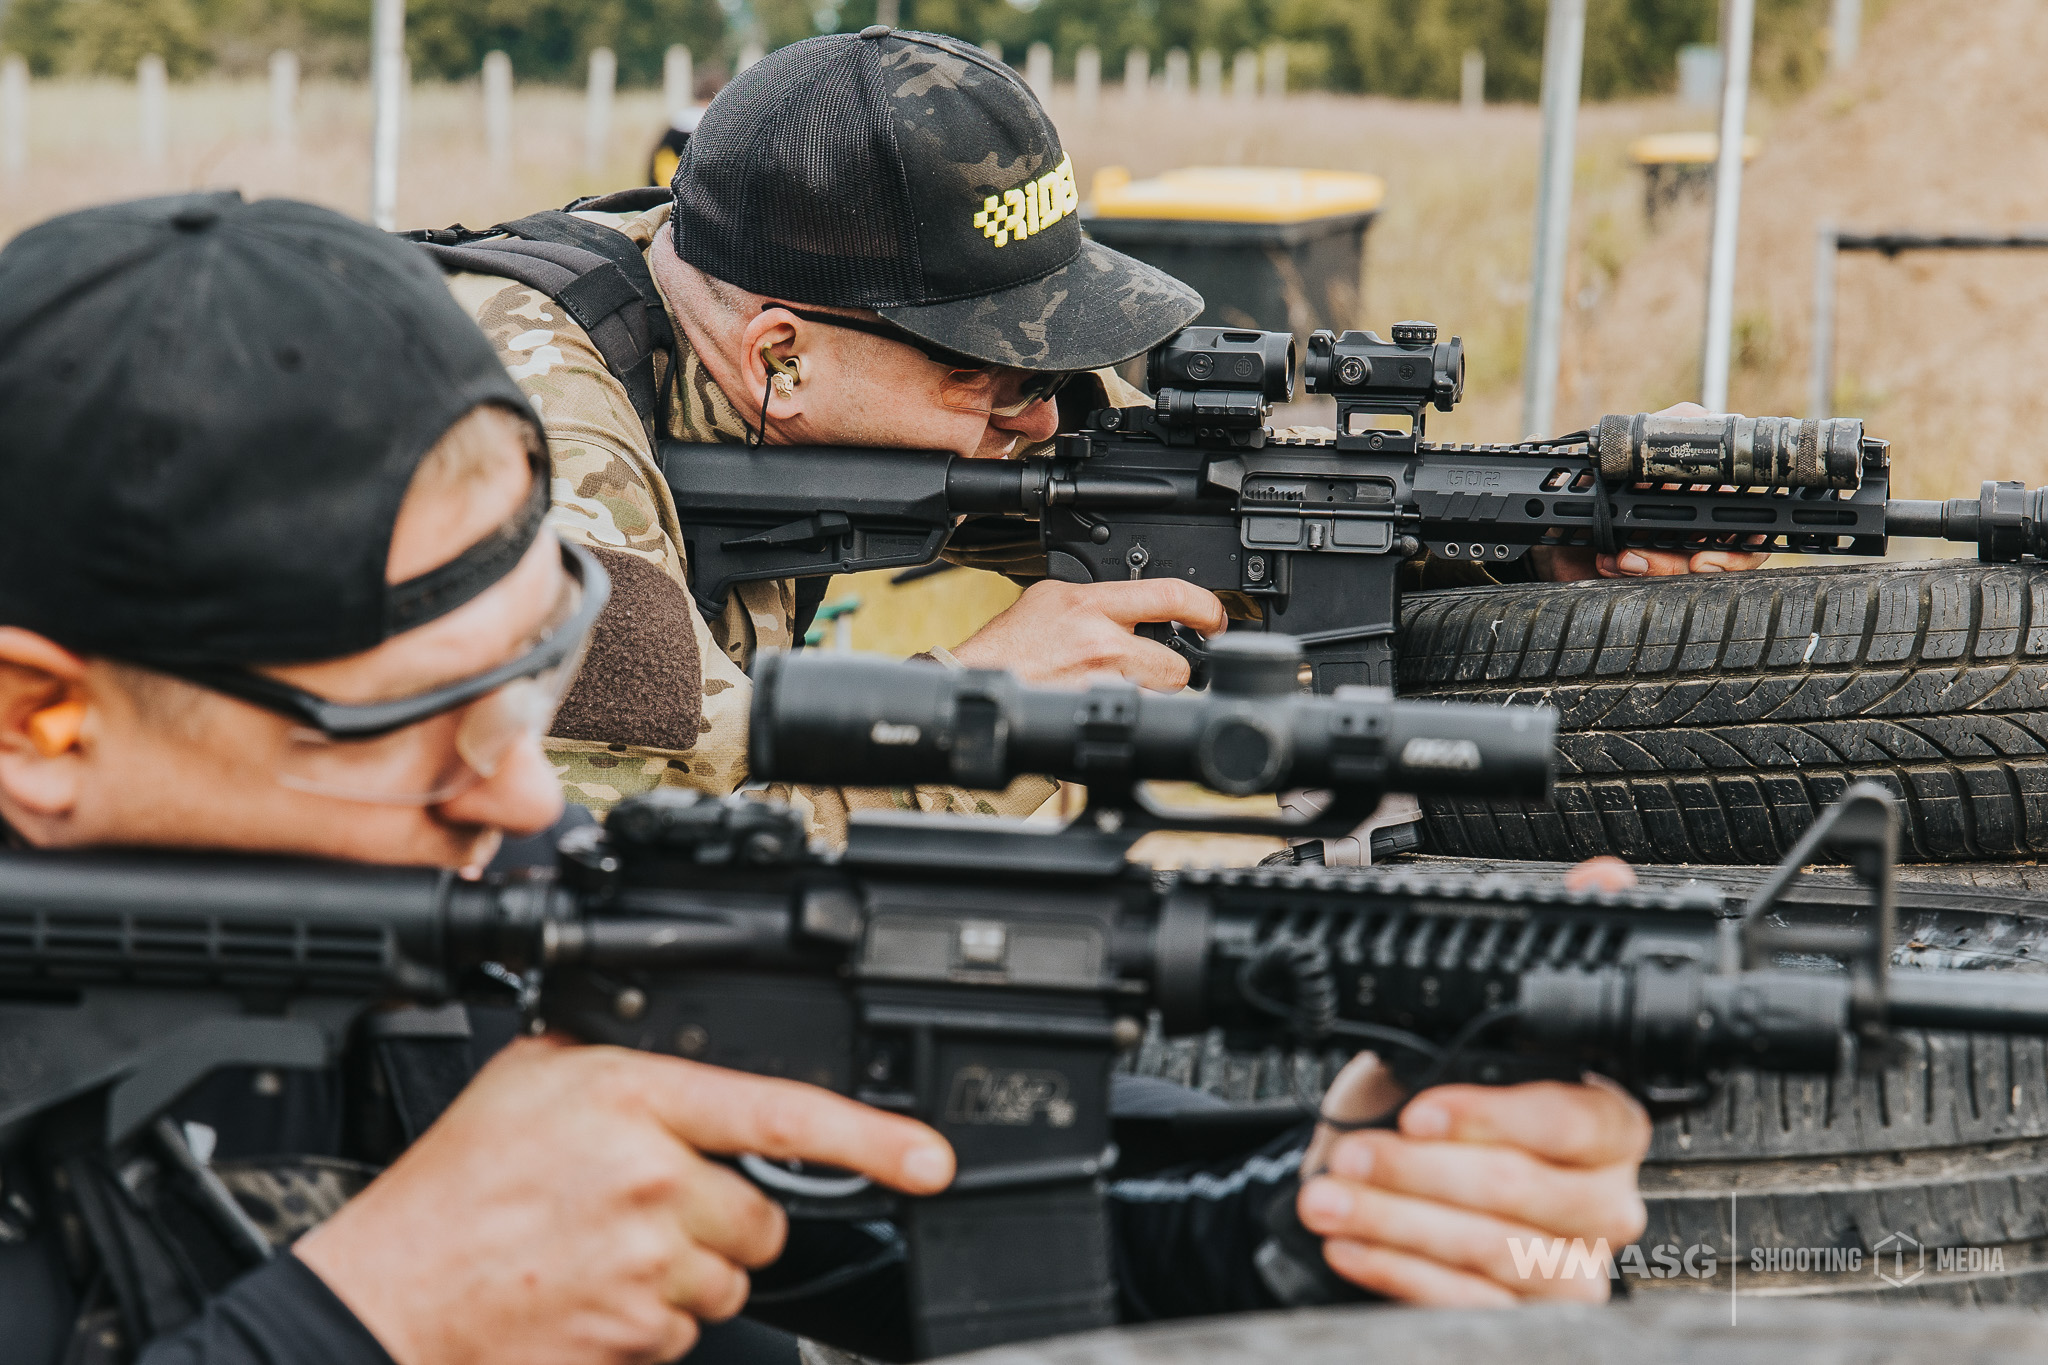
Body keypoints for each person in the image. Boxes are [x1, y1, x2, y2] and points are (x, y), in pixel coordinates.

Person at [0, 193, 1648, 1365]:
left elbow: (906, 1195)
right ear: (37, 723)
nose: (522, 799)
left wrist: (1326, 1208)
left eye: (533, 670)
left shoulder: (422, 922)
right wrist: (371, 1322)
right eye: (414, 717)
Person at [434, 27, 1764, 835]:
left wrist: (1544, 532)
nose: (1040, 402)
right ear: (781, 356)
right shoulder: (523, 437)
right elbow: (641, 820)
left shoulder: (807, 346)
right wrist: (981, 715)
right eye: (993, 365)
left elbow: (1215, 511)